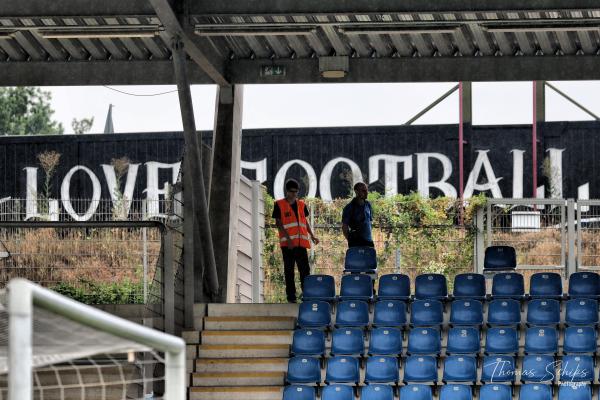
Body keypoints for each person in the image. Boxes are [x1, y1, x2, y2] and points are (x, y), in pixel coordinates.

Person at [273, 179, 319, 303]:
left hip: (301, 244)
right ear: (287, 191)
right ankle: (291, 298)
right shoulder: (279, 204)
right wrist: (288, 240)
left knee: (305, 271)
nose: (294, 194)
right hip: (288, 245)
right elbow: (279, 223)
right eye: (292, 191)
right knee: (289, 271)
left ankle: (307, 295)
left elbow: (305, 222)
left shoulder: (302, 205)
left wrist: (312, 236)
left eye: (296, 192)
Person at [342, 182, 374, 248]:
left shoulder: (368, 205)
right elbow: (344, 227)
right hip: (355, 241)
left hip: (369, 241)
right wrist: (350, 240)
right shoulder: (349, 207)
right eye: (363, 190)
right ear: (356, 192)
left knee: (370, 257)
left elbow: (369, 222)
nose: (366, 192)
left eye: (366, 190)